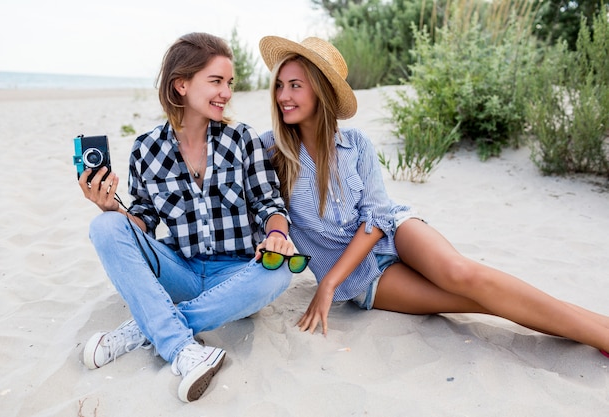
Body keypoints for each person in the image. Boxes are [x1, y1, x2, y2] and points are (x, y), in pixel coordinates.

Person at [256, 35, 609, 358]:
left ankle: (602, 334)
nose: (283, 96)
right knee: (477, 301)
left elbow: (378, 218)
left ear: (320, 91)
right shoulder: (271, 151)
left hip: (395, 232)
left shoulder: (356, 144)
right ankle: (597, 329)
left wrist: (327, 285)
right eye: (281, 86)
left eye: (296, 85)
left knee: (465, 275)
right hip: (363, 280)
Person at [78, 32, 304, 402]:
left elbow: (270, 205)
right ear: (181, 84)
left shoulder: (242, 139)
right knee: (104, 226)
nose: (226, 93)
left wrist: (277, 235)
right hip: (179, 270)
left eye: (229, 83)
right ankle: (177, 338)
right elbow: (143, 220)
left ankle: (153, 327)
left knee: (281, 269)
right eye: (215, 81)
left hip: (236, 274)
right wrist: (112, 210)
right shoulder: (146, 149)